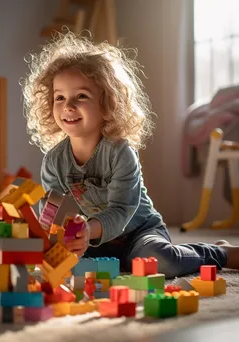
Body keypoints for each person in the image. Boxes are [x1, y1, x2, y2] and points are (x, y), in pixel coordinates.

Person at [20, 30, 239, 278]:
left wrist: (87, 231)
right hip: (93, 240)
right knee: (62, 266)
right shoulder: (54, 161)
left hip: (139, 232)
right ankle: (116, 261)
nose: (68, 105)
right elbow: (54, 214)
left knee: (159, 262)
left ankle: (220, 252)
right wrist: (51, 234)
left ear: (107, 104)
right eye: (59, 97)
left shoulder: (119, 152)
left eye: (81, 96)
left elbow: (122, 210)